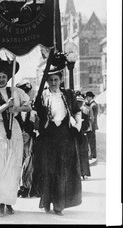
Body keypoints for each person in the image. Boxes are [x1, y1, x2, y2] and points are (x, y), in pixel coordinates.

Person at [0, 57, 32, 216]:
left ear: (8, 78)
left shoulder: (16, 91)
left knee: (12, 166)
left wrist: (16, 107)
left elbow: (28, 106)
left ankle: (8, 202)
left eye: (4, 76)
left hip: (13, 130)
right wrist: (5, 106)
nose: (1, 79)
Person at [33, 66, 82, 216]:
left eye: (56, 79)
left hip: (64, 136)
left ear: (60, 80)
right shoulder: (42, 95)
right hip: (48, 137)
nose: (53, 82)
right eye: (50, 80)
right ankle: (47, 201)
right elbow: (37, 115)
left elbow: (77, 111)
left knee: (62, 170)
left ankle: (59, 204)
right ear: (46, 81)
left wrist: (78, 126)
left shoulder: (67, 95)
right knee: (48, 170)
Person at [15, 79, 37, 198]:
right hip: (17, 138)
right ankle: (19, 186)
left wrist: (29, 133)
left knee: (28, 162)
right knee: (18, 161)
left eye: (27, 92)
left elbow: (35, 123)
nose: (25, 94)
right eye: (23, 91)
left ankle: (27, 186)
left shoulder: (33, 107)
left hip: (29, 139)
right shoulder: (15, 107)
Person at [76, 95, 92, 180]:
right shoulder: (81, 115)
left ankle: (83, 173)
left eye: (80, 103)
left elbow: (86, 126)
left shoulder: (83, 115)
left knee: (82, 155)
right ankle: (82, 173)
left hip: (80, 137)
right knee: (81, 155)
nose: (79, 104)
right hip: (80, 137)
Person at [85, 91, 99, 163]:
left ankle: (93, 155)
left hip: (92, 125)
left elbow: (91, 116)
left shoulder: (93, 105)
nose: (87, 98)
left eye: (87, 97)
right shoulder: (93, 104)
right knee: (91, 140)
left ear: (90, 97)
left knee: (92, 140)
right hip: (93, 125)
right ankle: (93, 154)